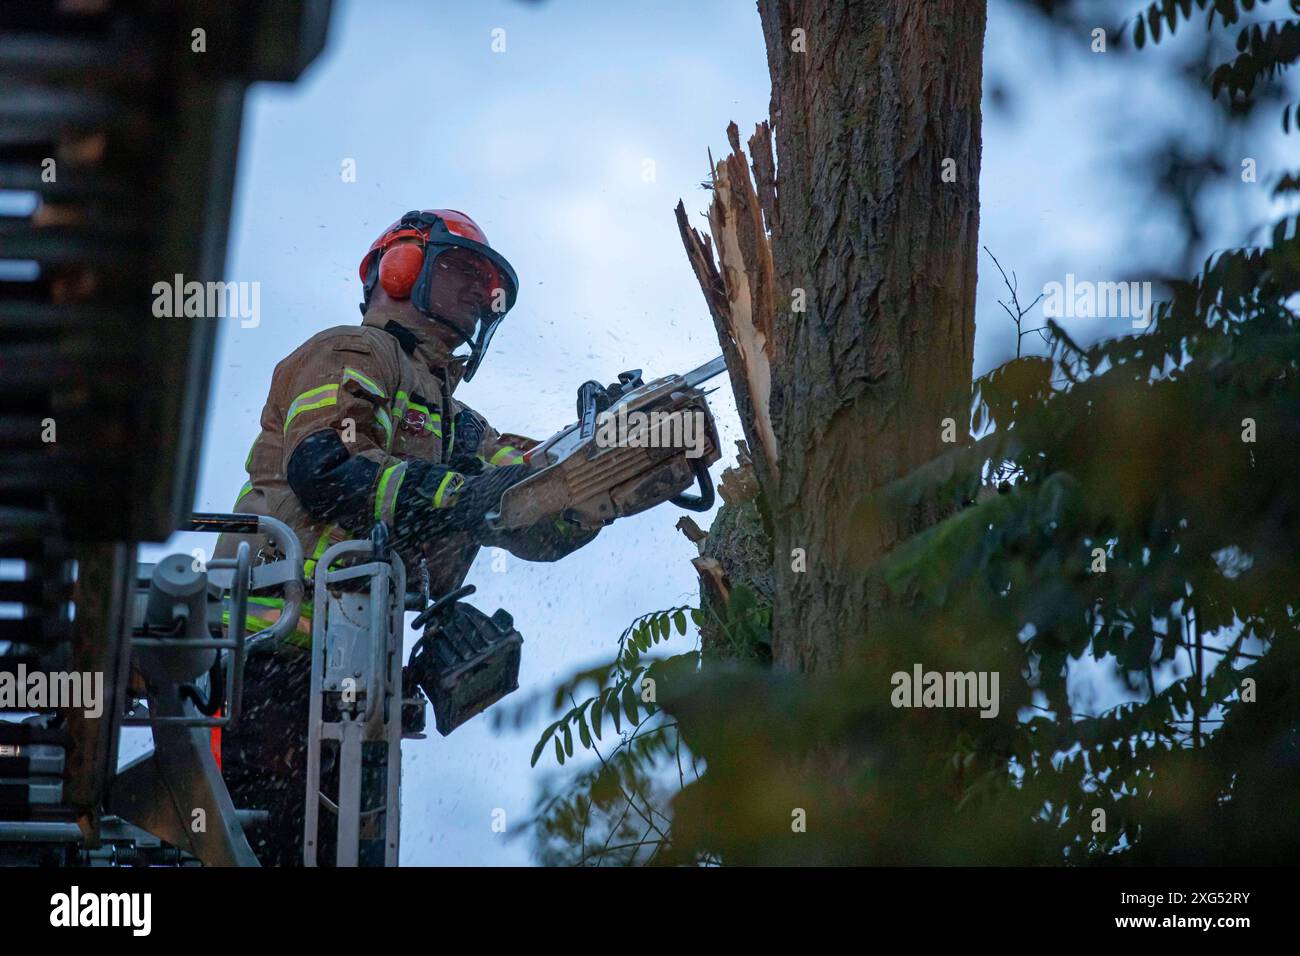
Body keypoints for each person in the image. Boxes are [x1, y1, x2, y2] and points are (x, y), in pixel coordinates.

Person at [212, 209, 598, 865]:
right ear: (401, 268)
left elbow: (524, 493)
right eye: (465, 274)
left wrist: (601, 468)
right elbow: (324, 469)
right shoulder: (353, 350)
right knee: (260, 845)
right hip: (273, 656)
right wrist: (460, 493)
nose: (482, 295)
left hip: (360, 675)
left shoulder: (454, 417)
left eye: (486, 284)